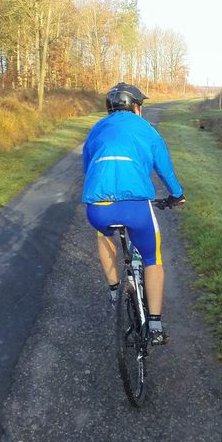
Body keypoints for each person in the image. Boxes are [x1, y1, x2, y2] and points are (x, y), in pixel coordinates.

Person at [81, 82, 185, 345]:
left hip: (99, 207)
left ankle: (115, 289)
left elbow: (87, 167)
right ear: (136, 107)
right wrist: (177, 195)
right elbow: (165, 169)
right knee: (152, 258)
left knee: (103, 236)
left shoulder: (96, 129)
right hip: (136, 207)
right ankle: (156, 326)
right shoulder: (147, 130)